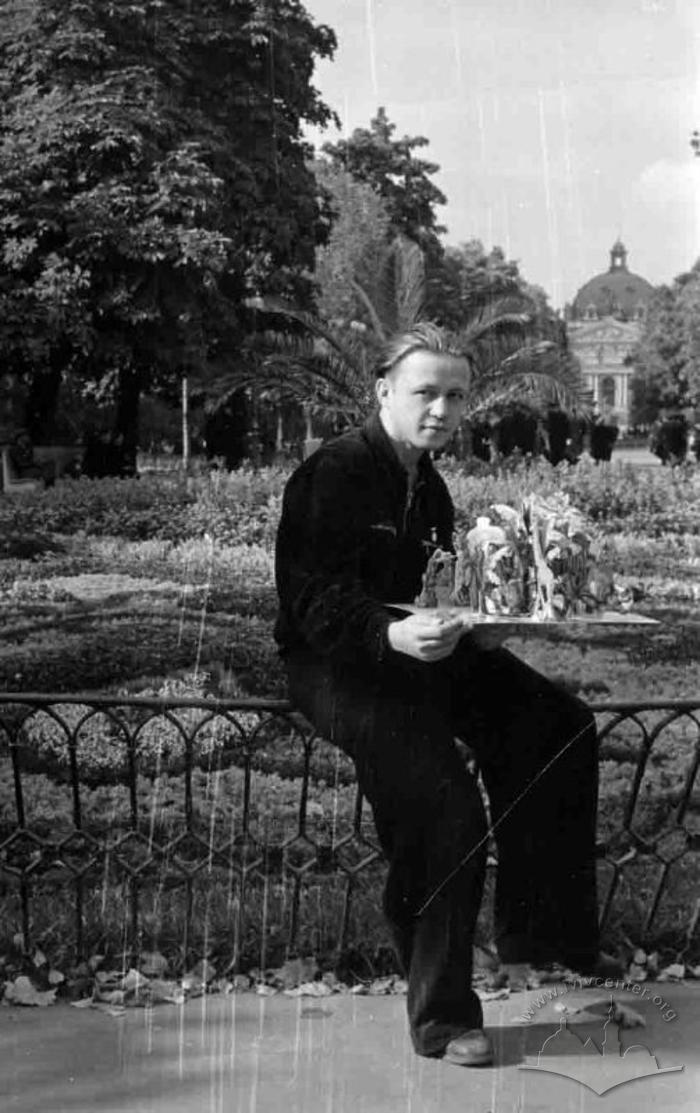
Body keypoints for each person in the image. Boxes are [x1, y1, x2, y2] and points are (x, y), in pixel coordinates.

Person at [274, 323, 599, 1068]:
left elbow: (428, 590)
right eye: (427, 392)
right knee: (444, 804)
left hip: (418, 646)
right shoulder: (333, 472)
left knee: (558, 726)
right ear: (384, 389)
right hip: (335, 662)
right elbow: (311, 600)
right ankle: (444, 1019)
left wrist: (478, 629)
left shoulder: (430, 482)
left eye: (456, 395)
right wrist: (388, 636)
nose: (443, 409)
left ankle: (539, 934)